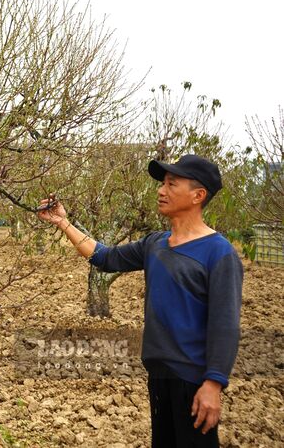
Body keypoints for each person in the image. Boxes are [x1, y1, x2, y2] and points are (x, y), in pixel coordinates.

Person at [37, 154, 243, 447]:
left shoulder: (218, 253)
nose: (161, 190)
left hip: (194, 383)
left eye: (172, 184)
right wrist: (63, 223)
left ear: (198, 195)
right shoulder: (154, 243)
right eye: (162, 184)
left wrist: (213, 383)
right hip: (159, 376)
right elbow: (105, 257)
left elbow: (225, 325)